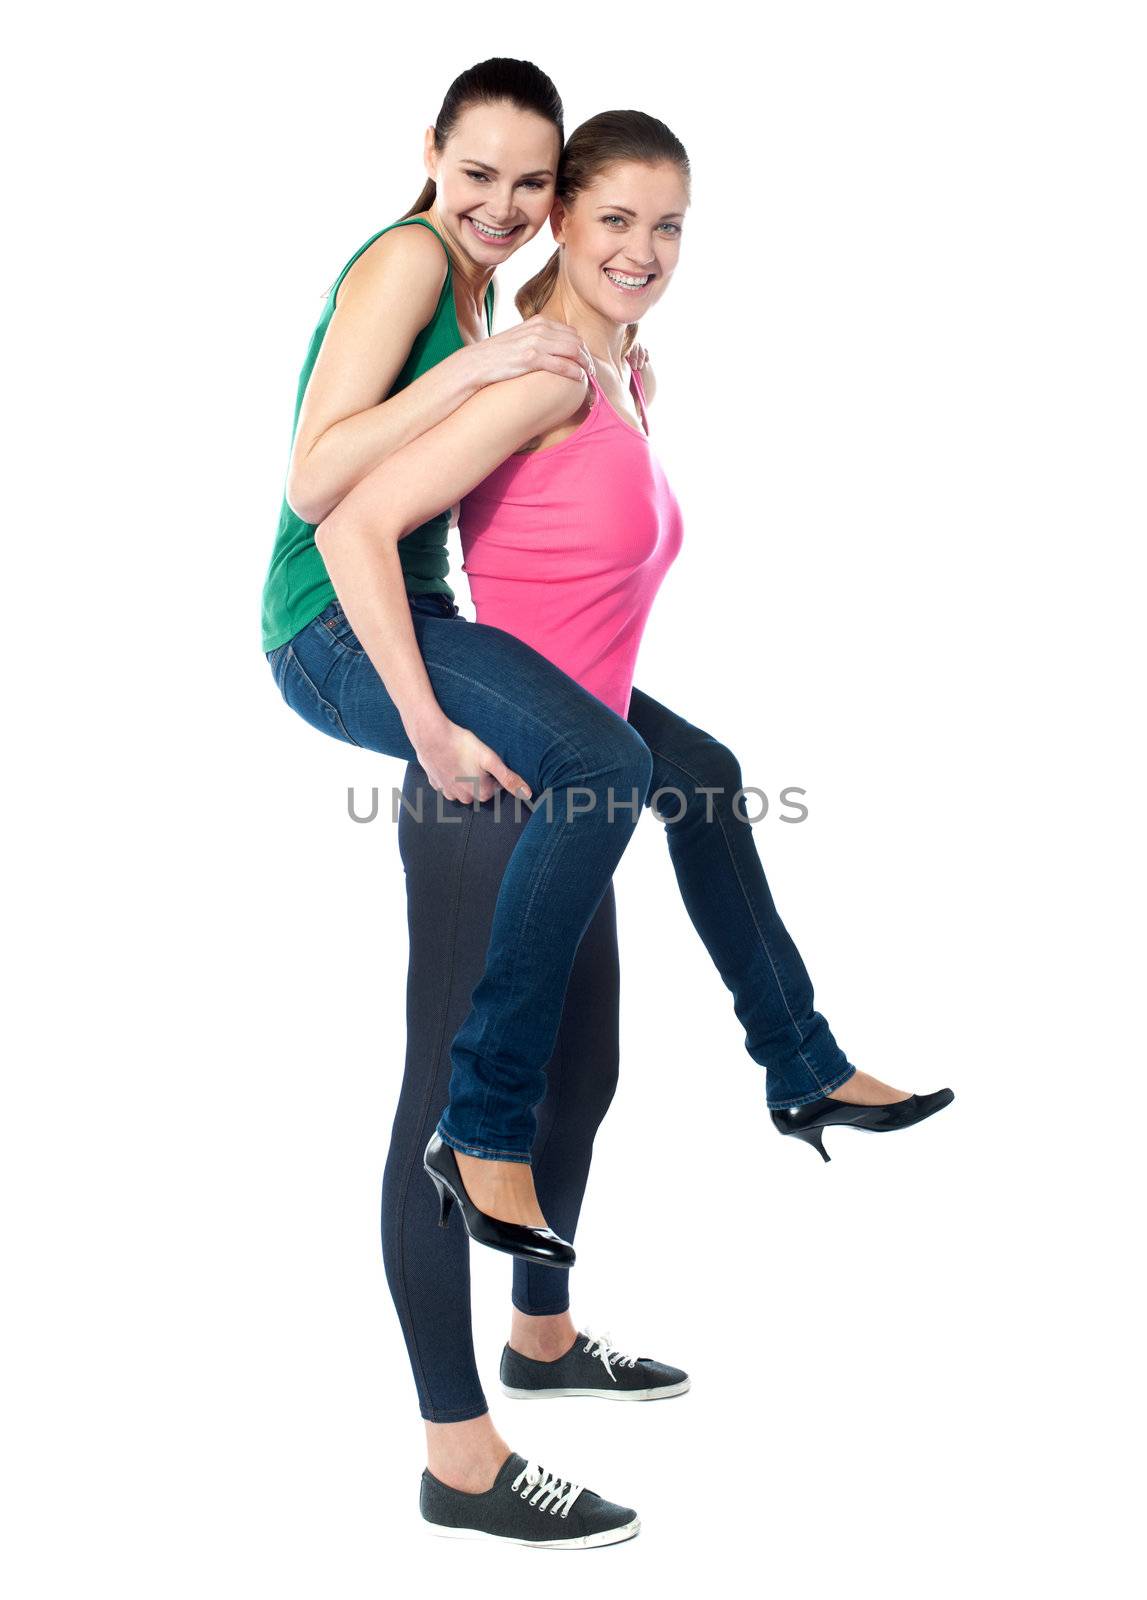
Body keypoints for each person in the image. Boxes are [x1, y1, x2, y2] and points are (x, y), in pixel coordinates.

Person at [334, 108, 956, 1546]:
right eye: (615, 220)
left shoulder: (607, 371)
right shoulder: (541, 375)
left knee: (587, 1070)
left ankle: (545, 1336)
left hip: (581, 771)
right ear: (563, 223)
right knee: (449, 1112)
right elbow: (357, 515)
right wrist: (433, 727)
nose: (644, 251)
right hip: (494, 783)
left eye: (670, 227)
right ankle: (458, 1457)